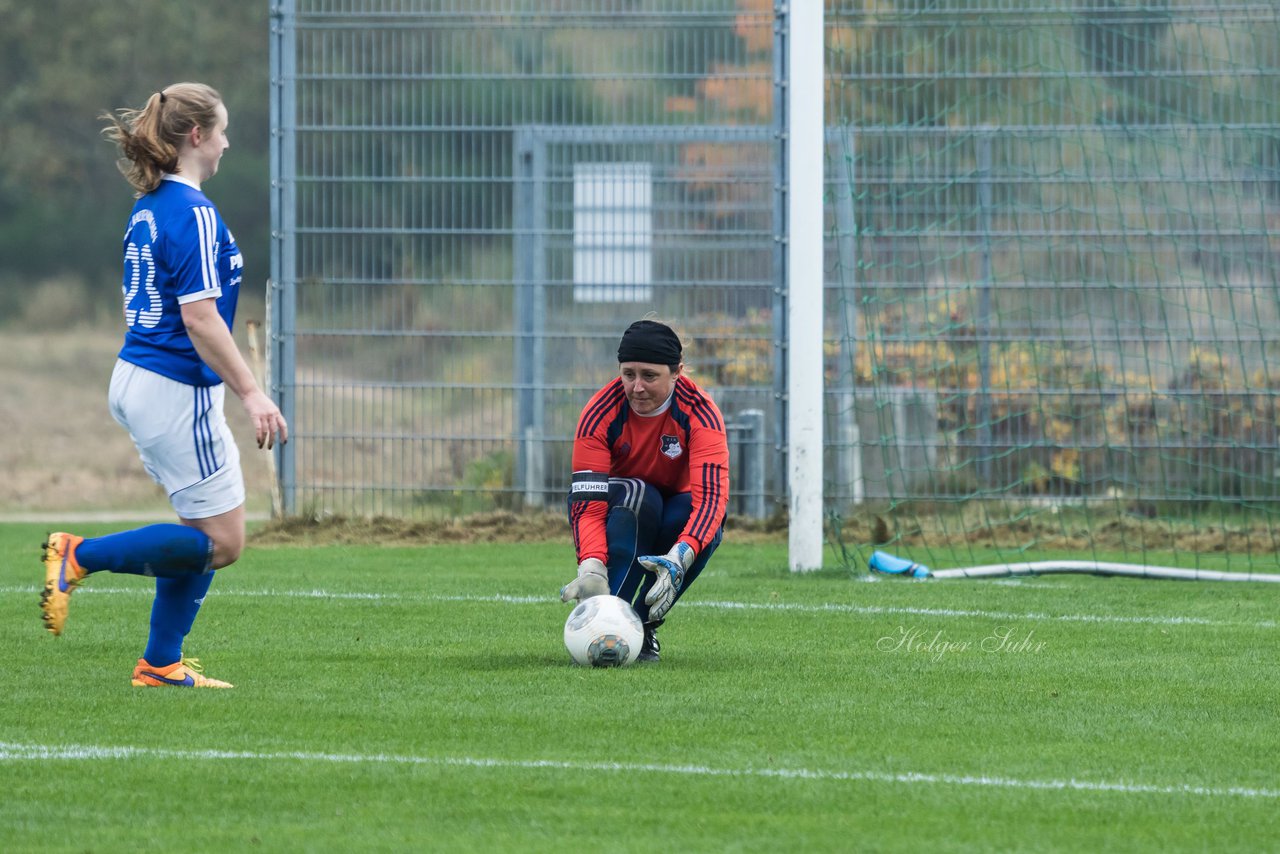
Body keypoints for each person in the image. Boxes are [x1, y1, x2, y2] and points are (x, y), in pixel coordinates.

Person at [38, 82, 287, 689]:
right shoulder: (193, 212)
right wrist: (252, 392)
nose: (228, 143)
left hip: (142, 376)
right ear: (196, 136)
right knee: (223, 542)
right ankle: (77, 555)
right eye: (222, 131)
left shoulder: (150, 206)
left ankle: (160, 664)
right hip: (174, 388)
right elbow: (199, 318)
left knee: (201, 534)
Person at [560, 319, 729, 662]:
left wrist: (682, 555)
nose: (636, 387)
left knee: (706, 528)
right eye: (628, 374)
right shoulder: (600, 412)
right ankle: (605, 621)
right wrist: (591, 566)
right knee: (640, 494)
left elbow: (711, 501)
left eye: (649, 376)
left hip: (675, 510)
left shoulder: (701, 413)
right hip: (623, 506)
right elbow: (588, 504)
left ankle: (639, 627)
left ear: (677, 372)